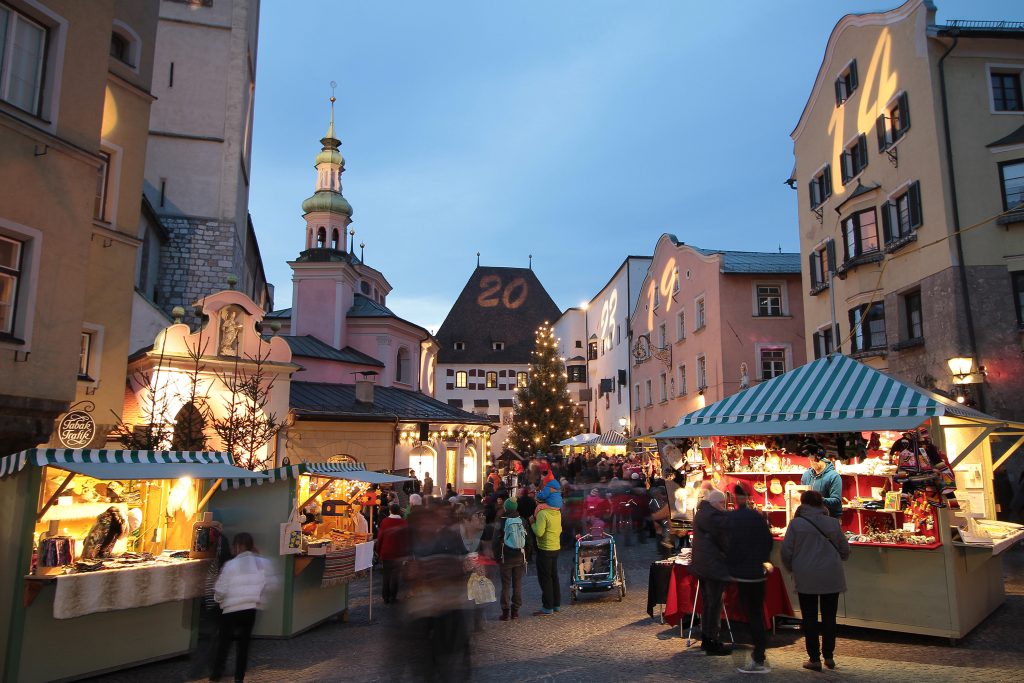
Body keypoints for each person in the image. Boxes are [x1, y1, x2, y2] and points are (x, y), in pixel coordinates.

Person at [781, 490, 850, 672]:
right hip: (831, 574)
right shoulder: (833, 523)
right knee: (829, 617)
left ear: (803, 504)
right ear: (821, 503)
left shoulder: (796, 524)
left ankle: (814, 658)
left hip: (806, 575)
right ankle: (829, 656)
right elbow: (845, 549)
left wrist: (792, 568)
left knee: (809, 618)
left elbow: (786, 551)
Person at [210, 532, 276, 682]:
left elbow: (221, 588)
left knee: (224, 643)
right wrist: (260, 601)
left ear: (238, 546)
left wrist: (218, 600)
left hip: (230, 610)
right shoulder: (261, 563)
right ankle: (239, 677)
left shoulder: (230, 565)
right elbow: (270, 584)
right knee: (244, 645)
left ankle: (216, 674)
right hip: (250, 609)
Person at [727, 483, 774, 674]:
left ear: (735, 498)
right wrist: (763, 560)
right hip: (757, 572)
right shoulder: (758, 518)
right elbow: (768, 542)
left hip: (743, 574)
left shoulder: (733, 518)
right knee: (756, 614)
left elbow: (728, 545)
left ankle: (759, 658)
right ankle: (759, 653)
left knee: (751, 615)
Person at [690, 488, 732, 656]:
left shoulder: (702, 513)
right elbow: (725, 540)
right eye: (722, 503)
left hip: (703, 565)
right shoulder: (714, 517)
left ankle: (707, 638)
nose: (724, 506)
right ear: (715, 503)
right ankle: (712, 641)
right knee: (714, 603)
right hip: (713, 565)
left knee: (709, 602)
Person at [492, 498, 527, 620]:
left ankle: (505, 612)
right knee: (517, 584)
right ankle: (515, 611)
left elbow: (495, 541)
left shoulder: (501, 521)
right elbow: (528, 540)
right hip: (519, 557)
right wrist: (526, 554)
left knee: (505, 585)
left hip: (505, 557)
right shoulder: (522, 520)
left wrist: (496, 557)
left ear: (506, 508)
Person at [531, 499, 562, 616]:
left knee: (545, 578)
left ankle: (548, 607)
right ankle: (556, 604)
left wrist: (532, 523)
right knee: (554, 576)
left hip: (545, 549)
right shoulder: (557, 511)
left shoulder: (542, 513)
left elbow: (539, 532)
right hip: (555, 547)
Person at [376, 503, 408, 604]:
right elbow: (405, 540)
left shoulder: (385, 522)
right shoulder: (403, 523)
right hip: (398, 554)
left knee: (386, 575)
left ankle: (385, 596)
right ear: (399, 511)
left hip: (386, 553)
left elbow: (380, 538)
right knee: (395, 575)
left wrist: (378, 551)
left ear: (390, 511)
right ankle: (393, 596)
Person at [801, 449, 843, 518]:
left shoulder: (834, 476)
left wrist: (818, 499)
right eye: (811, 460)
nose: (813, 462)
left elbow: (836, 500)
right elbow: (802, 496)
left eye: (816, 460)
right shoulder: (806, 475)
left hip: (830, 518)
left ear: (824, 459)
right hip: (810, 518)